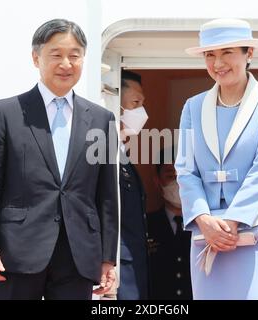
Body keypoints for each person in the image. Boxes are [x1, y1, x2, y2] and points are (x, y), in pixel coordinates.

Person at [0, 19, 118, 300]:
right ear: (36, 58)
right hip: (14, 254)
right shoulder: (6, 113)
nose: (66, 63)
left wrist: (108, 257)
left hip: (78, 255)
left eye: (74, 55)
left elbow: (107, 196)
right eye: (56, 55)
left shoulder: (101, 119)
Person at [175, 18, 258, 300]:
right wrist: (203, 218)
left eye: (227, 52)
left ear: (248, 53)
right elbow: (185, 169)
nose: (218, 63)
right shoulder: (192, 106)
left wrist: (234, 220)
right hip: (209, 234)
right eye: (210, 55)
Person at [117, 70, 150, 300]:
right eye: (136, 102)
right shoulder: (103, 153)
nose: (141, 112)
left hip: (133, 269)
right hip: (119, 270)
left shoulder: (121, 153)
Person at [147, 146, 193, 300]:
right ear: (157, 181)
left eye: (182, 176)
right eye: (170, 175)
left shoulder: (203, 225)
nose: (177, 183)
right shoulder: (146, 226)